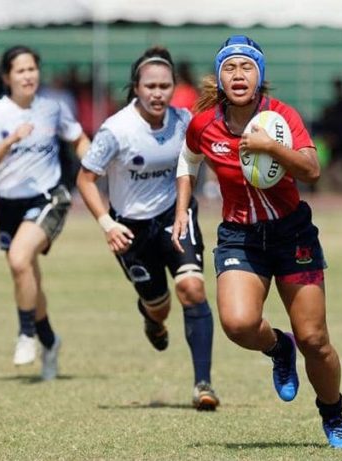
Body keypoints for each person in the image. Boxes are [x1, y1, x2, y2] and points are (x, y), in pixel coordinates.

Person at [172, 35, 342, 448]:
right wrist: (182, 206)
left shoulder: (281, 116)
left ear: (261, 76)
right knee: (237, 324)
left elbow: (311, 169)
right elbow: (188, 159)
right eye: (230, 68)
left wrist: (270, 146)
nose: (239, 75)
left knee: (315, 339)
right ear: (220, 78)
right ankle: (278, 348)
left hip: (291, 233)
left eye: (247, 67)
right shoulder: (204, 123)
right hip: (240, 236)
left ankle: (332, 413)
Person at [76, 46, 219, 410]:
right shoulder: (116, 130)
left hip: (176, 217)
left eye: (165, 86)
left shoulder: (184, 121)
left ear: (174, 88)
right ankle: (152, 320)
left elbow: (215, 151)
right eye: (150, 86)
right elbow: (85, 179)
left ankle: (203, 384)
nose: (158, 93)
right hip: (131, 230)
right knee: (159, 306)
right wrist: (107, 223)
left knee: (192, 288)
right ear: (136, 88)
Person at [0, 45, 90, 380]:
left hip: (49, 197)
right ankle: (50, 341)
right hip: (10, 204)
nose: (28, 76)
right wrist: (10, 140)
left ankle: (26, 334)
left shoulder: (53, 108)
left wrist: (95, 162)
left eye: (32, 69)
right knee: (27, 276)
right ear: (7, 77)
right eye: (20, 70)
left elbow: (78, 138)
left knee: (19, 259)